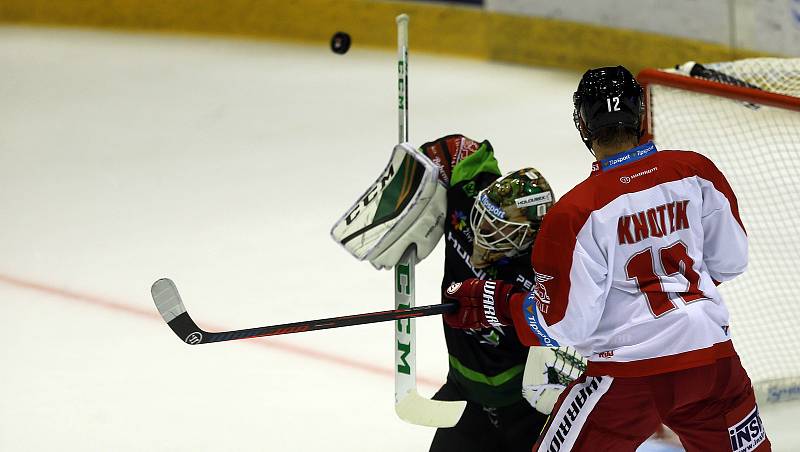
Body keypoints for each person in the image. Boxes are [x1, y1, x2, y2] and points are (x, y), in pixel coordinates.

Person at [442, 67, 771, 452]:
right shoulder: (695, 171)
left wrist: (498, 304)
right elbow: (731, 261)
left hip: (629, 379)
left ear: (583, 125)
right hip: (714, 363)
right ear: (639, 115)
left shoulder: (575, 213)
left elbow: (567, 327)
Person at [419, 134, 556, 452]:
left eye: (495, 233)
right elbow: (459, 152)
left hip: (526, 412)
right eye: (481, 222)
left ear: (527, 237)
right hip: (465, 395)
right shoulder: (469, 202)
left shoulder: (543, 270)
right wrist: (411, 180)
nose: (480, 235)